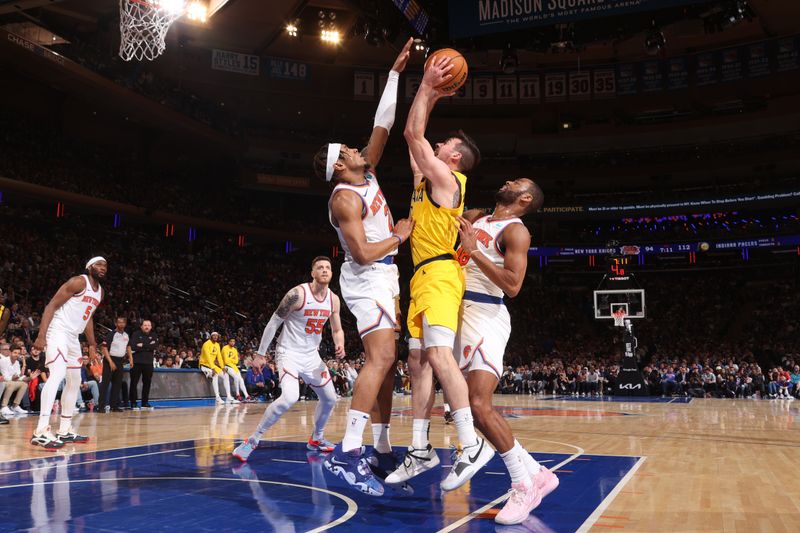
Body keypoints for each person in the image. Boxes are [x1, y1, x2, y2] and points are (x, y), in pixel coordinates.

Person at [385, 53, 492, 492]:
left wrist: (428, 85)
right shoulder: (428, 179)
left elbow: (412, 134)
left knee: (438, 356)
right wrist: (430, 95)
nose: (437, 145)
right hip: (422, 277)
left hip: (442, 276)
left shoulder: (450, 182)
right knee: (417, 361)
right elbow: (416, 138)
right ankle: (420, 449)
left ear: (455, 158)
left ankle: (470, 444)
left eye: (444, 144)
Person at [316, 38, 416, 496]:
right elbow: (359, 254)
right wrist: (399, 235)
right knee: (381, 358)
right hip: (366, 275)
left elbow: (383, 123)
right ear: (340, 164)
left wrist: (394, 73)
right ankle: (347, 452)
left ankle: (379, 445)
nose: (360, 148)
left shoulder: (368, 172)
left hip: (386, 274)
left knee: (388, 364)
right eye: (350, 150)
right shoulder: (343, 199)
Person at [453, 178, 559, 524]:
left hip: (486, 314)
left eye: (517, 183)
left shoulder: (517, 232)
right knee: (466, 407)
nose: (507, 181)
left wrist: (473, 250)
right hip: (458, 313)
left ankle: (522, 486)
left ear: (525, 198)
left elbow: (513, 286)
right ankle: (538, 474)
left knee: (479, 405)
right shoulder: (479, 218)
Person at [233, 256, 345, 462]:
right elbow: (274, 322)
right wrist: (260, 353)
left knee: (329, 398)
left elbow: (337, 329)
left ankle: (317, 438)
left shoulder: (333, 299)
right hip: (289, 353)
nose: (324, 270)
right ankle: (253, 440)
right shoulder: (297, 294)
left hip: (311, 356)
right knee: (290, 397)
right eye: (320, 267)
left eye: (328, 267)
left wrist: (340, 343)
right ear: (312, 273)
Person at [31, 257, 106, 449]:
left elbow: (87, 317)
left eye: (105, 265)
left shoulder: (100, 293)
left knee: (74, 380)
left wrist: (91, 344)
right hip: (58, 330)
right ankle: (41, 431)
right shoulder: (79, 281)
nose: (103, 268)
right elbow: (51, 306)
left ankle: (64, 430)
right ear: (89, 267)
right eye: (98, 265)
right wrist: (42, 335)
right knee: (56, 375)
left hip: (73, 336)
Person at [127, 320, 158, 410]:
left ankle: (145, 403)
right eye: (145, 325)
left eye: (149, 325)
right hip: (136, 362)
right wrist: (148, 345)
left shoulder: (154, 335)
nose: (147, 327)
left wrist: (142, 345)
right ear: (141, 326)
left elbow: (155, 346)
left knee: (147, 383)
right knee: (134, 383)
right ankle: (133, 403)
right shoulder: (136, 334)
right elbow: (133, 346)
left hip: (148, 363)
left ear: (151, 327)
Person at [100, 317, 129, 412]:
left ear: (125, 324)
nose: (121, 324)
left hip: (120, 361)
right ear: (116, 323)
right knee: (105, 384)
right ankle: (101, 406)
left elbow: (128, 347)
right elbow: (104, 348)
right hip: (110, 360)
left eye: (122, 322)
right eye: (119, 322)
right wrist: (110, 362)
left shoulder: (126, 335)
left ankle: (114, 406)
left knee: (117, 384)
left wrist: (130, 359)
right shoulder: (111, 334)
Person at [200, 332, 235, 404]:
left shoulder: (217, 345)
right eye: (214, 336)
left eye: (217, 336)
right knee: (215, 375)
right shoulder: (206, 344)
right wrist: (213, 368)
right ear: (211, 337)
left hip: (212, 365)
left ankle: (228, 397)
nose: (215, 337)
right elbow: (208, 357)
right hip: (204, 365)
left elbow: (219, 357)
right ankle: (217, 398)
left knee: (226, 375)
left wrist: (222, 367)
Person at [1, 346, 29, 416]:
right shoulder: (3, 361)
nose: (17, 355)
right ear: (10, 353)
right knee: (12, 383)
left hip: (11, 381)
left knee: (24, 384)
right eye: (15, 353)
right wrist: (15, 378)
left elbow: (19, 376)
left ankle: (15, 406)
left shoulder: (17, 363)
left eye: (18, 353)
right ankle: (3, 406)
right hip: (3, 381)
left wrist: (28, 378)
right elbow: (5, 377)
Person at [222, 337, 250, 401]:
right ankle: (238, 395)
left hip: (234, 367)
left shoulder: (234, 350)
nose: (232, 343)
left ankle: (247, 396)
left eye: (233, 341)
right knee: (236, 378)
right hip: (226, 366)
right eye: (231, 341)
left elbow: (237, 361)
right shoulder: (225, 348)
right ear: (228, 342)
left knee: (241, 379)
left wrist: (231, 360)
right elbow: (226, 361)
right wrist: (233, 360)